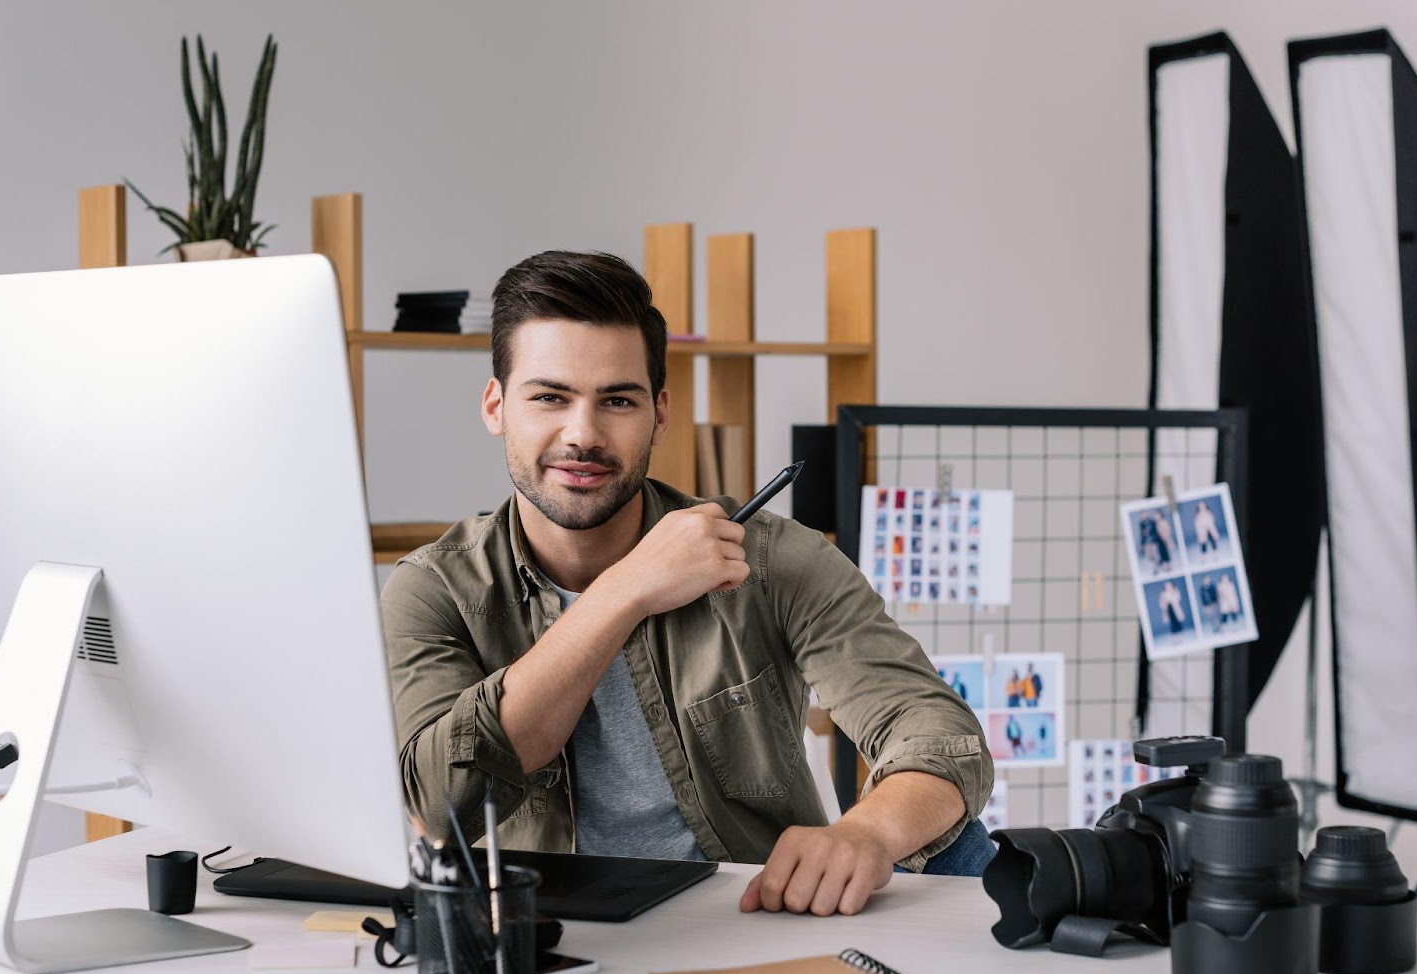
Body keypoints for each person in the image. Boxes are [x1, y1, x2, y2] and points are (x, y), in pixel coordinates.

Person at [380, 251, 995, 919]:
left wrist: (866, 833)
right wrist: (628, 589)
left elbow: (938, 736)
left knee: (963, 848)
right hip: (542, 941)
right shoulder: (433, 589)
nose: (582, 434)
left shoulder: (768, 557)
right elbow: (438, 808)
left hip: (751, 928)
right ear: (497, 406)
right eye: (550, 397)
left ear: (659, 414)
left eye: (617, 400)